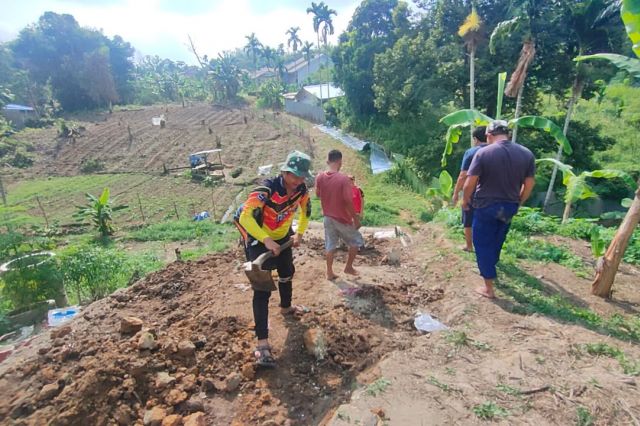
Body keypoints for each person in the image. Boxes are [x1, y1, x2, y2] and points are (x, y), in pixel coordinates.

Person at [234, 150, 312, 368]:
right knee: (262, 290)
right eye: (293, 175)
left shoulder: (302, 190)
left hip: (283, 237)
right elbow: (245, 217)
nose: (297, 181)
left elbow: (306, 212)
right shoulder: (266, 189)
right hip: (259, 238)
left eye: (301, 176)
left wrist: (300, 233)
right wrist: (266, 240)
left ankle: (286, 308)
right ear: (284, 171)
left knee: (287, 273)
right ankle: (262, 343)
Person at [462, 120, 536, 299]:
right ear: (508, 134)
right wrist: (518, 202)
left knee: (482, 243)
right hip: (509, 206)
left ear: (489, 135)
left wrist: (465, 201)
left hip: (486, 205)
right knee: (497, 239)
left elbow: (470, 183)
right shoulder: (526, 154)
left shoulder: (484, 152)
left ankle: (488, 287)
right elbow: (529, 184)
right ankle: (491, 267)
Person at [316, 150, 364, 280]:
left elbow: (318, 194)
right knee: (356, 241)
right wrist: (356, 218)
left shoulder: (320, 177)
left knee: (330, 244)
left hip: (327, 217)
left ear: (328, 161)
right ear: (340, 161)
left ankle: (329, 272)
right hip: (341, 218)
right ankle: (348, 267)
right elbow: (348, 201)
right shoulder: (343, 179)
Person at [452, 126, 488, 252]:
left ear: (475, 139)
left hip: (472, 192)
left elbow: (463, 176)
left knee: (468, 218)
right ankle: (485, 246)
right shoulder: (497, 151)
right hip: (493, 192)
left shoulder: (472, 152)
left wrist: (456, 193)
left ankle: (469, 246)